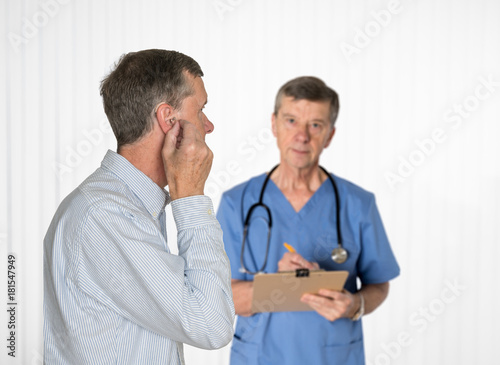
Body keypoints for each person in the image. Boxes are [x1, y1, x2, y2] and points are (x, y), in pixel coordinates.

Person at [44, 49, 235, 364]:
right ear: (168, 118)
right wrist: (189, 197)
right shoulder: (106, 215)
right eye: (200, 109)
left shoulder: (127, 205)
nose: (209, 125)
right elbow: (210, 324)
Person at [217, 76, 400, 364]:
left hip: (333, 355)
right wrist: (283, 284)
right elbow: (223, 299)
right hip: (260, 356)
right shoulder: (236, 203)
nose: (302, 136)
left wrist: (355, 303)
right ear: (274, 124)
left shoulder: (358, 204)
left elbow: (379, 284)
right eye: (291, 121)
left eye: (315, 125)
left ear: (330, 135)